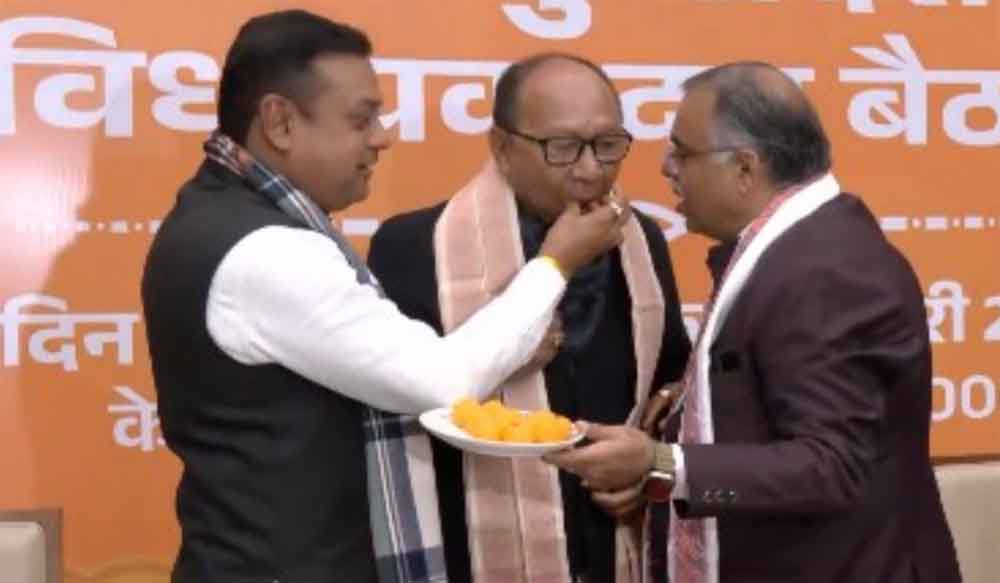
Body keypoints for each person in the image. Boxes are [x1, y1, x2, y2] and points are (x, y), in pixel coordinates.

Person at [141, 12, 627, 583]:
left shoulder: (226, 216)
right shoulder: (265, 249)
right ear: (280, 122)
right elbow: (440, 381)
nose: (382, 136)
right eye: (361, 118)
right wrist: (557, 261)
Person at [547, 61, 961, 583]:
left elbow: (831, 466)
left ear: (745, 169)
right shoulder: (800, 245)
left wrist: (663, 461)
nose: (667, 168)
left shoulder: (825, 271)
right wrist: (687, 408)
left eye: (682, 152)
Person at [367, 53, 691, 583]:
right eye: (562, 148)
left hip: (610, 541)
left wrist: (648, 472)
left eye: (607, 145)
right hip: (470, 546)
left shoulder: (641, 241)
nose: (590, 169)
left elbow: (670, 387)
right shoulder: (412, 246)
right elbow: (397, 406)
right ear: (501, 147)